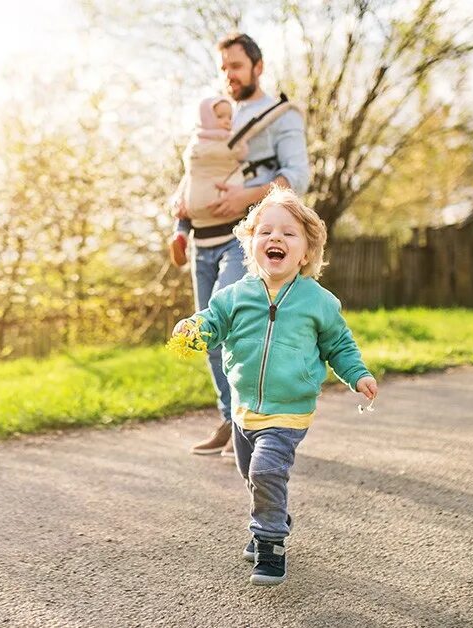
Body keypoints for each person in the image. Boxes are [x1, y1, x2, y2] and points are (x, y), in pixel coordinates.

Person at [171, 187, 378, 586]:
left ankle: (269, 543)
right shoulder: (234, 296)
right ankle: (275, 514)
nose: (276, 239)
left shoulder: (318, 301)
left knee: (267, 470)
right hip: (243, 410)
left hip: (289, 410)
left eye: (288, 233)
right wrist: (192, 331)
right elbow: (211, 323)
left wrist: (358, 375)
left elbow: (339, 345)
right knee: (253, 474)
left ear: (306, 252)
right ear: (251, 246)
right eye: (265, 232)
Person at [176, 32, 311, 457]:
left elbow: (296, 177)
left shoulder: (280, 116)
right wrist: (179, 205)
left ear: (258, 66)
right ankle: (230, 419)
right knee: (207, 330)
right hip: (203, 238)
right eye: (223, 68)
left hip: (246, 237)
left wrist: (243, 196)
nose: (229, 76)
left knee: (223, 318)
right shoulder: (216, 116)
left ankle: (249, 424)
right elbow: (194, 170)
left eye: (236, 66)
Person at [167, 96, 247, 268]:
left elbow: (190, 175)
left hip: (195, 204)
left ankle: (180, 235)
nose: (227, 121)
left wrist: (177, 199)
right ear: (207, 118)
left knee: (183, 210)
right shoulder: (229, 141)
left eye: (229, 117)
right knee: (185, 204)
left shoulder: (194, 143)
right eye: (220, 117)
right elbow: (242, 153)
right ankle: (180, 235)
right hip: (216, 205)